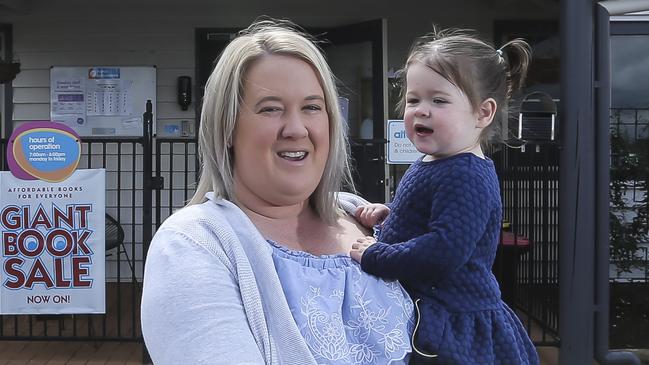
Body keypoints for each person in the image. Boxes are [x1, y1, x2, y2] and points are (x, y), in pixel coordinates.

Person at [141, 19, 414, 365]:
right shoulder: (194, 243)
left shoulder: (365, 215)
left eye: (312, 107)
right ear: (226, 127)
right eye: (270, 109)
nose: (296, 129)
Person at [350, 28, 540, 365]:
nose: (421, 110)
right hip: (438, 310)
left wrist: (377, 256)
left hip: (454, 326)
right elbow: (432, 215)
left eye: (439, 100)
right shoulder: (439, 161)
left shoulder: (466, 174)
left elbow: (443, 251)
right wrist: (390, 213)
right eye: (413, 99)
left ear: (483, 113)